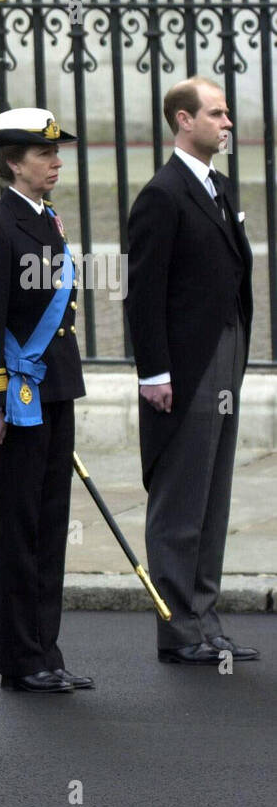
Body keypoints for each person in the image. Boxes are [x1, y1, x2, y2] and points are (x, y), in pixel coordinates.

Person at [126, 77, 260, 665]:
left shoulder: (217, 187)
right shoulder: (163, 193)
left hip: (224, 350)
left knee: (213, 495)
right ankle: (179, 630)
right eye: (216, 113)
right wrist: (153, 372)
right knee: (181, 497)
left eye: (227, 114)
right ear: (183, 120)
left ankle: (206, 619)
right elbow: (144, 292)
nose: (227, 123)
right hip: (186, 363)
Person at [0, 108, 90, 693]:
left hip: (53, 386)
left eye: (56, 152)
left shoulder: (46, 219)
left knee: (50, 522)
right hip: (16, 396)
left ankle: (47, 649)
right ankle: (22, 657)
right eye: (44, 154)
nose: (56, 161)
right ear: (14, 162)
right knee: (20, 526)